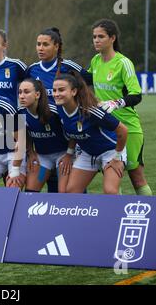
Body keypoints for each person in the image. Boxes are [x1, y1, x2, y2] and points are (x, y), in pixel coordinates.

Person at [88, 19, 152, 196]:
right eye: (94, 37)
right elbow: (85, 80)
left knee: (136, 176)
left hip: (128, 127)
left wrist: (115, 103)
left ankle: (150, 216)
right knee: (113, 176)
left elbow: (136, 95)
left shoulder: (123, 63)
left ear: (112, 38)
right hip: (107, 128)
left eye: (101, 36)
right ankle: (117, 219)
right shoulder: (95, 61)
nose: (96, 40)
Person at [26, 27, 91, 193]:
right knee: (33, 190)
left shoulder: (68, 67)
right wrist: (30, 151)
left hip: (66, 144)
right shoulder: (32, 70)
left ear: (56, 46)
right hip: (43, 147)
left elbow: (88, 83)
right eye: (38, 44)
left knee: (68, 192)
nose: (40, 48)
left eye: (45, 44)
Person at [52, 72, 128, 194]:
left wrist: (117, 157)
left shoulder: (91, 110)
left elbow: (123, 130)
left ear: (74, 92)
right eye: (54, 90)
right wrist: (69, 154)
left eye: (61, 90)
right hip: (88, 153)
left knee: (110, 192)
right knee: (71, 192)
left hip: (111, 151)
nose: (56, 94)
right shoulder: (60, 108)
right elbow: (73, 132)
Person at [18, 78, 74, 193]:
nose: (22, 96)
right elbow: (23, 134)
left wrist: (69, 154)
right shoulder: (20, 112)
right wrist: (30, 152)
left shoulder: (55, 111)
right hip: (42, 156)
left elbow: (74, 132)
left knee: (64, 192)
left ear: (37, 94)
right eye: (20, 92)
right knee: (30, 192)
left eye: (26, 92)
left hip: (64, 154)